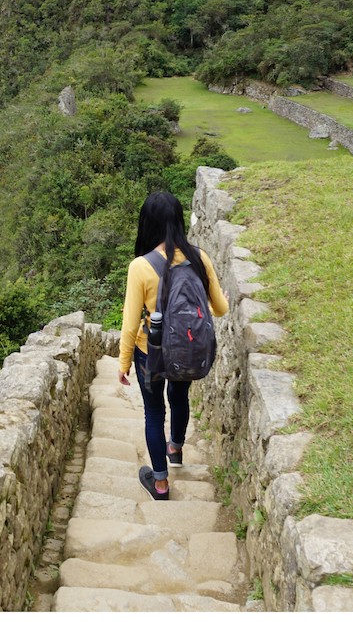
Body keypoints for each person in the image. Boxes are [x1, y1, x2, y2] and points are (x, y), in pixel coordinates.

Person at [118, 191, 229, 500]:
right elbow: (219, 309)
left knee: (154, 414)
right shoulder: (199, 257)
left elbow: (129, 324)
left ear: (147, 224)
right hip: (185, 350)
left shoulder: (140, 267)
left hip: (149, 354)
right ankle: (176, 448)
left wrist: (123, 363)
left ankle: (161, 484)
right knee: (179, 398)